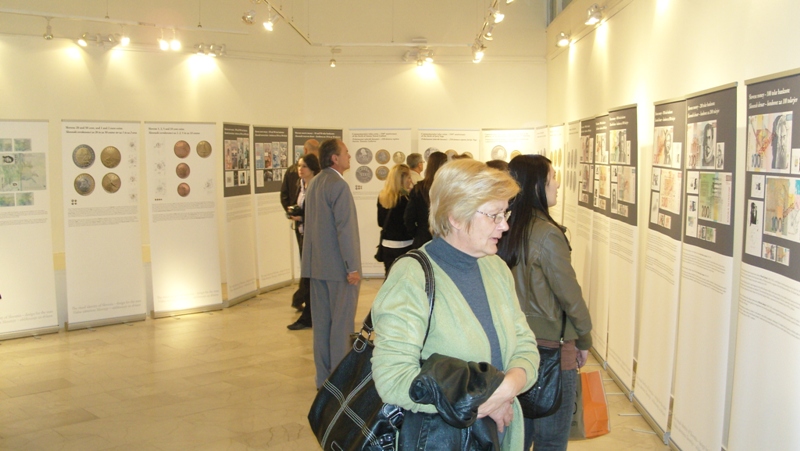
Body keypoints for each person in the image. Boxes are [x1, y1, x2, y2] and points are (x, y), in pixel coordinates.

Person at [372, 159, 540, 450]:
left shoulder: (495, 268)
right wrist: (481, 403)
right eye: (494, 215)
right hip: (443, 439)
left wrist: (508, 388)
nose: (505, 225)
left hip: (498, 436)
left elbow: (524, 342)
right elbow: (393, 378)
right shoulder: (411, 278)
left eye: (505, 213)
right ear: (456, 217)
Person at [497, 154, 593, 451]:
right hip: (551, 348)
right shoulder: (548, 234)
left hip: (511, 345)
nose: (558, 184)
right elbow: (570, 296)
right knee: (551, 439)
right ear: (537, 184)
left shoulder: (503, 228)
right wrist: (584, 338)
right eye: (553, 178)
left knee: (515, 437)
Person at [300, 138, 361, 388]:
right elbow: (345, 229)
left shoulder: (314, 183)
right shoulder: (338, 185)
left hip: (317, 267)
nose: (350, 156)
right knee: (341, 325)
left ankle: (323, 379)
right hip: (339, 269)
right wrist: (352, 267)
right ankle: (339, 381)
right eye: (346, 152)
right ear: (335, 158)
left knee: (322, 325)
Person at [281, 138, 320, 311]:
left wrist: (301, 215)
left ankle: (302, 298)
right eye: (299, 166)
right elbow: (285, 195)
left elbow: (317, 211)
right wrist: (292, 212)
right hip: (302, 230)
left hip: (313, 232)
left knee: (310, 266)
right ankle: (303, 298)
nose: (300, 169)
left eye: (304, 166)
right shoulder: (298, 182)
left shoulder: (318, 184)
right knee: (306, 264)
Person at [404, 151, 448, 249]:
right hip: (445, 238)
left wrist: (417, 233)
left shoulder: (419, 188)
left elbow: (409, 218)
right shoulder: (447, 188)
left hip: (423, 237)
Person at [377, 164, 414, 276]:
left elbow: (380, 222)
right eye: (408, 177)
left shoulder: (382, 197)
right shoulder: (406, 199)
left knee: (390, 277)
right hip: (404, 245)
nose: (410, 180)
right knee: (404, 278)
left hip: (387, 245)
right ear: (401, 179)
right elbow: (409, 225)